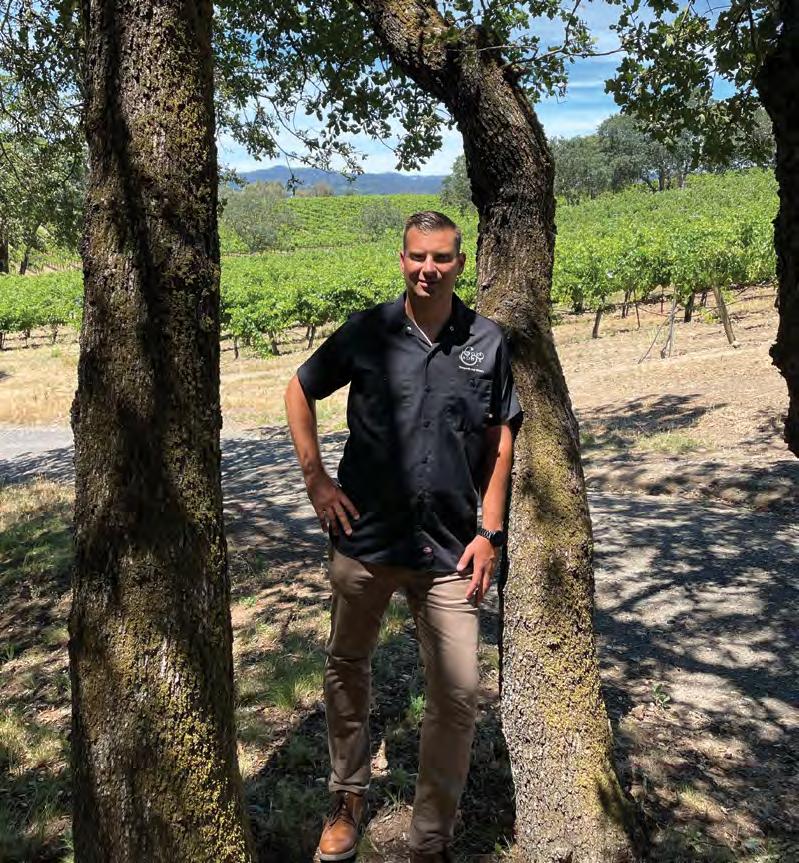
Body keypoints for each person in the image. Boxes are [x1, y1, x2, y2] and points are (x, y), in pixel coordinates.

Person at [284, 211, 522, 863]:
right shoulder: (369, 331)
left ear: (460, 263)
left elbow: (500, 439)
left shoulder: (486, 341)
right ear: (402, 259)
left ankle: (430, 839)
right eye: (418, 256)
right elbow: (299, 389)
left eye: (441, 258)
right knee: (346, 666)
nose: (428, 269)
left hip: (450, 551)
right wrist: (317, 482)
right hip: (364, 540)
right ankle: (347, 798)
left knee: (457, 692)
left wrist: (490, 530)